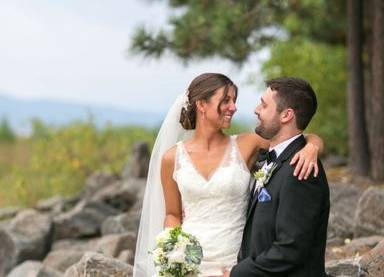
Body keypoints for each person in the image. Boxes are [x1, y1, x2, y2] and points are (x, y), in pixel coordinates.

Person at [133, 73, 324, 277]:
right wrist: (174, 250)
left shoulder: (247, 144)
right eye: (226, 100)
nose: (233, 107)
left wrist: (312, 147)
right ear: (201, 105)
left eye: (234, 100)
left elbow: (294, 137)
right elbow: (172, 214)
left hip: (234, 261)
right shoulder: (172, 158)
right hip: (188, 262)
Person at [227, 77, 330, 277]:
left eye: (264, 105)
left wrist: (238, 273)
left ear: (286, 115)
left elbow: (291, 249)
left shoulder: (302, 170)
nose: (256, 110)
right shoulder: (273, 158)